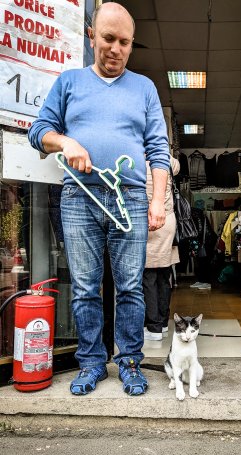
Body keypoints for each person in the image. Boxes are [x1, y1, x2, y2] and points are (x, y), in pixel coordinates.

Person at [28, 2, 170, 396]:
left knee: (130, 286)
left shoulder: (144, 88)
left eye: (125, 42)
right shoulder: (70, 82)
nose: (116, 49)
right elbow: (38, 130)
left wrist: (157, 201)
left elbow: (158, 150)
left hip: (130, 197)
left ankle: (128, 362)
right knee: (86, 287)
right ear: (92, 36)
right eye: (108, 38)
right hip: (79, 196)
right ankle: (91, 363)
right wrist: (65, 140)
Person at [143, 156, 180, 341]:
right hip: (168, 220)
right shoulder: (168, 161)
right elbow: (177, 167)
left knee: (148, 277)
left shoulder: (139, 162)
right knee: (164, 274)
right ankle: (163, 323)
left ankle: (153, 327)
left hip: (149, 220)